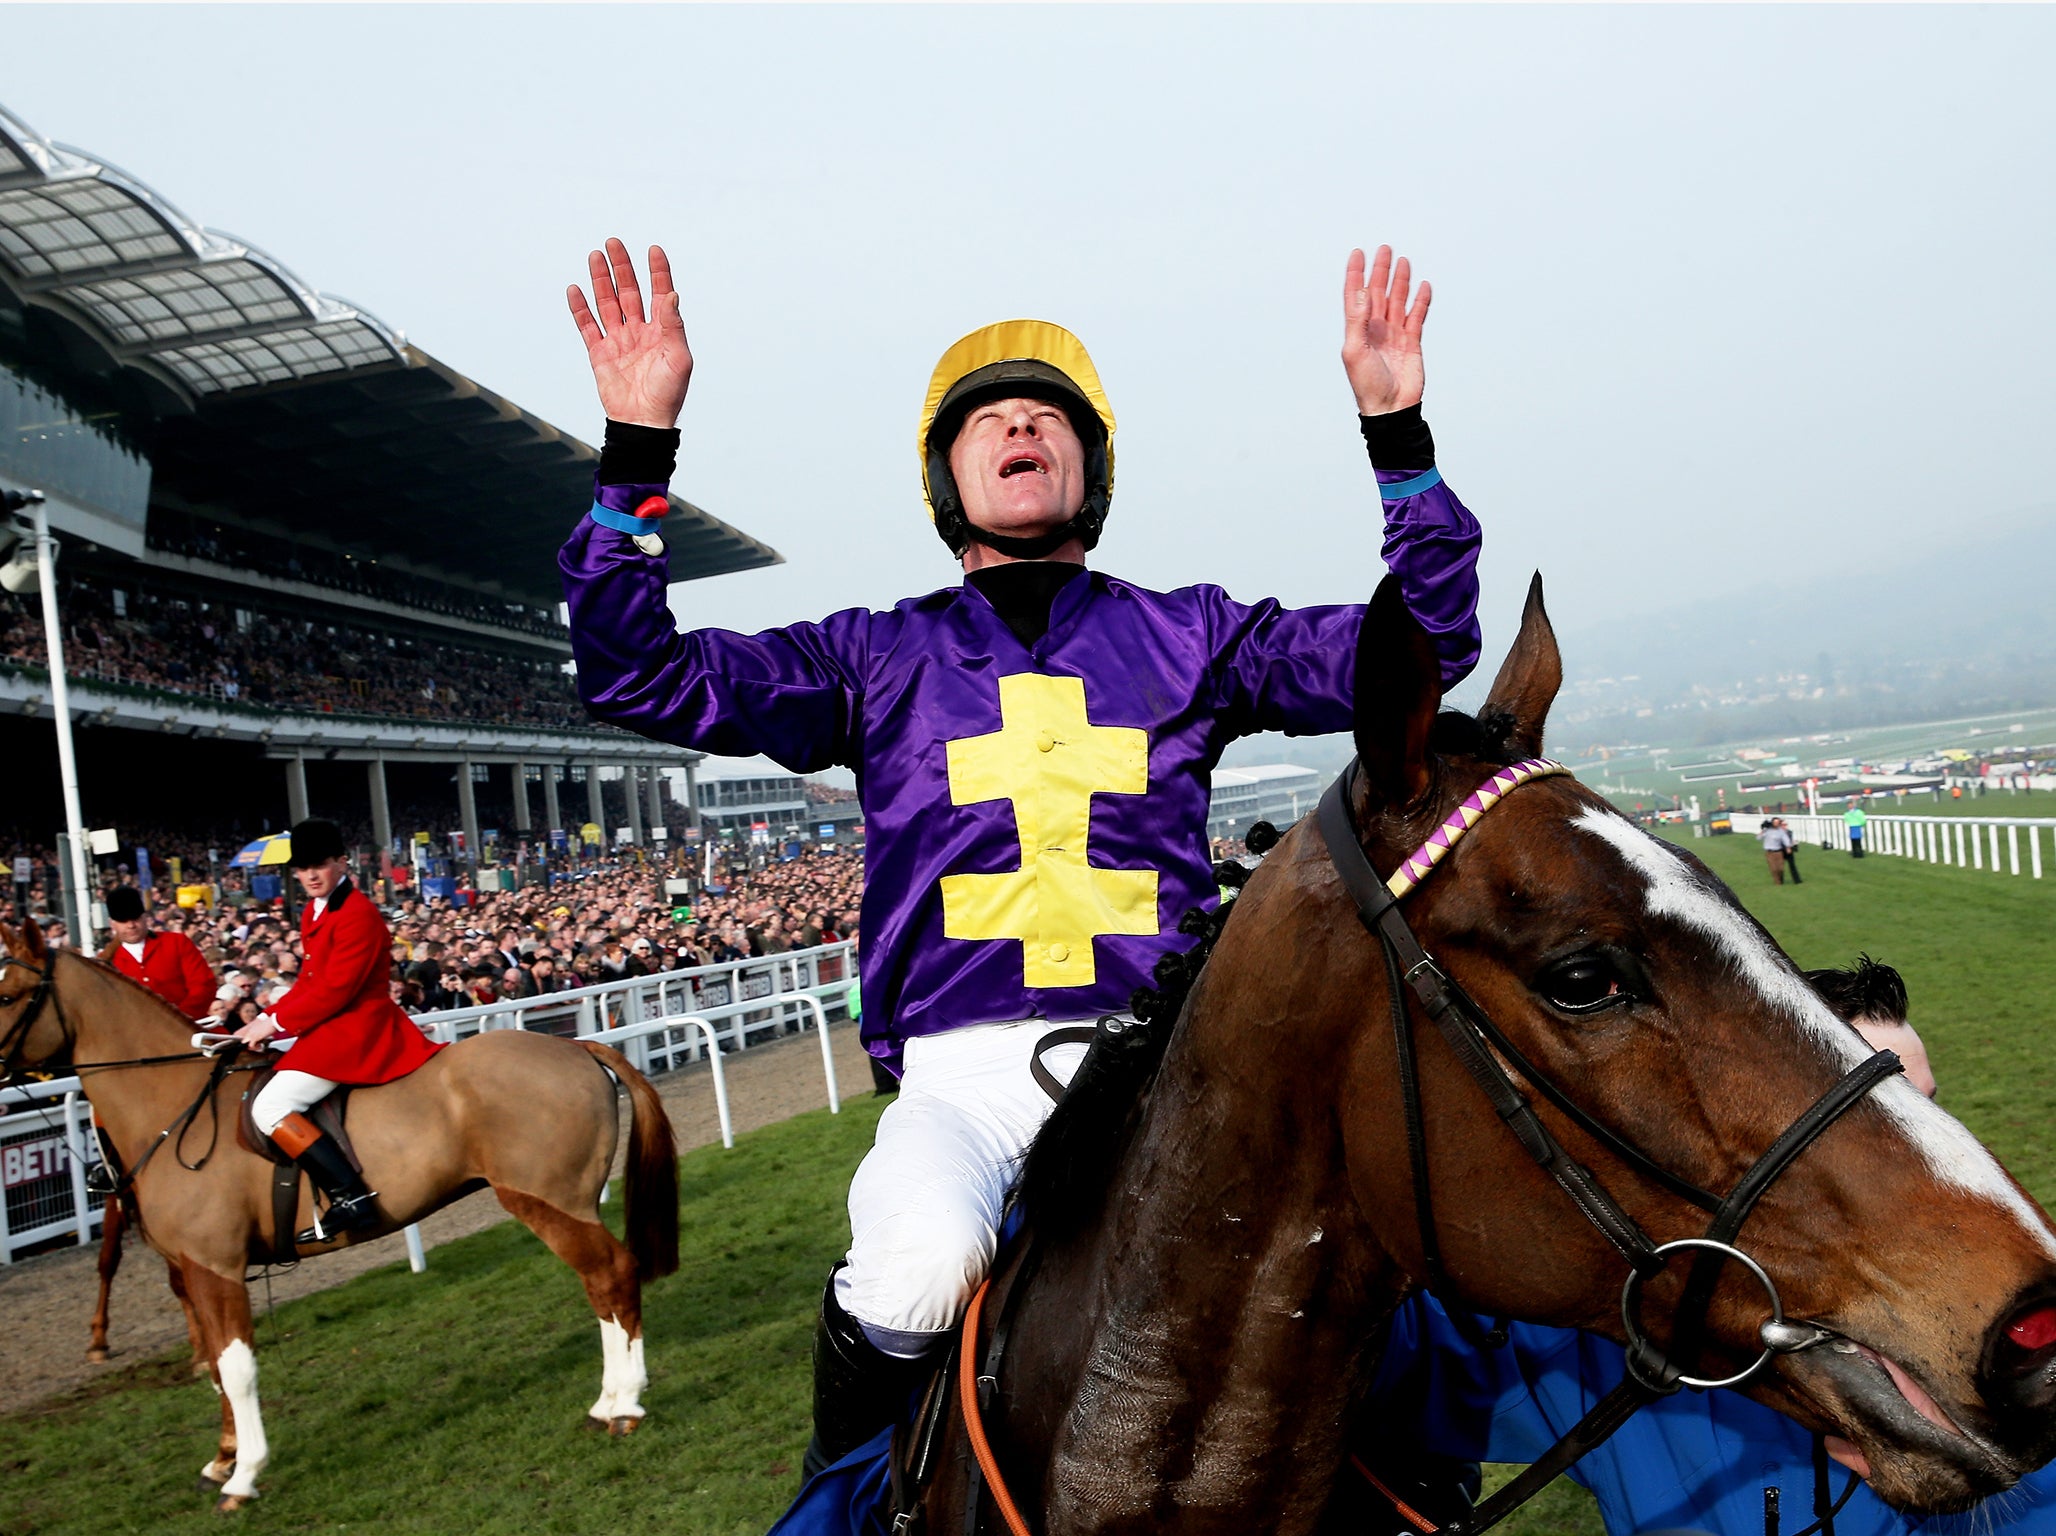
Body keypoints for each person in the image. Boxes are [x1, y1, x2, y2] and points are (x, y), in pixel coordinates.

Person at [558, 238, 1484, 1478]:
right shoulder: (870, 657)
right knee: (914, 1268)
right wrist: (635, 455)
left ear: (1087, 467)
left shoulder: (1191, 634)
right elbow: (637, 674)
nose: (1018, 432)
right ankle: (852, 1504)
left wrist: (1396, 430)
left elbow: (1420, 648)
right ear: (948, 480)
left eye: (1045, 419)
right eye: (987, 423)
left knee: (1365, 1269)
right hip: (965, 1081)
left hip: (1174, 1065)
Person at [1356, 959, 2038, 1536]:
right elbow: (1383, 1363)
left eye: (1926, 1114)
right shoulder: (1620, 1337)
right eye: (1878, 1134)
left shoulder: (2014, 1323)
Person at [231, 819, 445, 1244]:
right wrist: (267, 1020)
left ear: (341, 862)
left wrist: (270, 1022)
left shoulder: (356, 913)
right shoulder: (316, 908)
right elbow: (311, 982)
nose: (310, 875)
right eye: (303, 868)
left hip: (357, 1027)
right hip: (334, 1022)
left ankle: (351, 1197)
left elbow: (334, 990)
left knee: (269, 1107)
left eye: (320, 865)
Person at [101, 885, 217, 1018]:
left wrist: (180, 1017)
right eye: (123, 921)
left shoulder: (176, 943)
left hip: (189, 1026)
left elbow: (204, 985)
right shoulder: (106, 962)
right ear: (112, 924)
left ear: (145, 917)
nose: (131, 925)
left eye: (136, 918)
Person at [1757, 818, 1787, 885]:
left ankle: (1780, 879)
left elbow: (1785, 839)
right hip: (1769, 852)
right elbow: (1758, 838)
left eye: (1777, 822)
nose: (1776, 824)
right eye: (1775, 822)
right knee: (1774, 868)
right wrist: (1762, 831)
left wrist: (1788, 847)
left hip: (1779, 852)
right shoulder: (1767, 831)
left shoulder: (1781, 831)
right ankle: (1777, 882)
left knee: (1780, 869)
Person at [1775, 816, 1802, 884]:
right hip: (1781, 851)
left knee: (1792, 865)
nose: (1785, 826)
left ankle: (1797, 880)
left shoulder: (1789, 832)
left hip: (1789, 851)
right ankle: (1780, 881)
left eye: (1786, 825)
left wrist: (1794, 844)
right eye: (1783, 825)